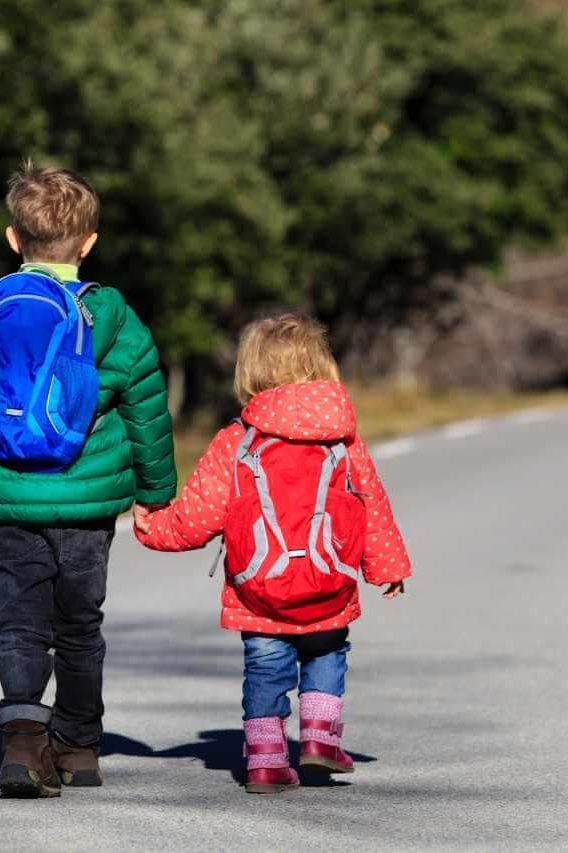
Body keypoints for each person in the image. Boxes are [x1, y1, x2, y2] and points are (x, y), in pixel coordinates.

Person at [0, 161, 176, 797]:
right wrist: (154, 496)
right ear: (89, 243)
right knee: (79, 626)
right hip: (89, 506)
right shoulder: (113, 315)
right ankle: (80, 746)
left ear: (14, 239)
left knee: (19, 625)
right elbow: (146, 410)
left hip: (10, 500)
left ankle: (20, 741)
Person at [134, 313, 411, 794]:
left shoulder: (236, 440)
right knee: (326, 650)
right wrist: (387, 566)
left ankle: (265, 760)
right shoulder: (343, 440)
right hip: (331, 579)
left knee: (265, 667)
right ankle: (321, 739)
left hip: (257, 591)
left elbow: (197, 519)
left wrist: (151, 528)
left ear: (251, 372)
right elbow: (371, 505)